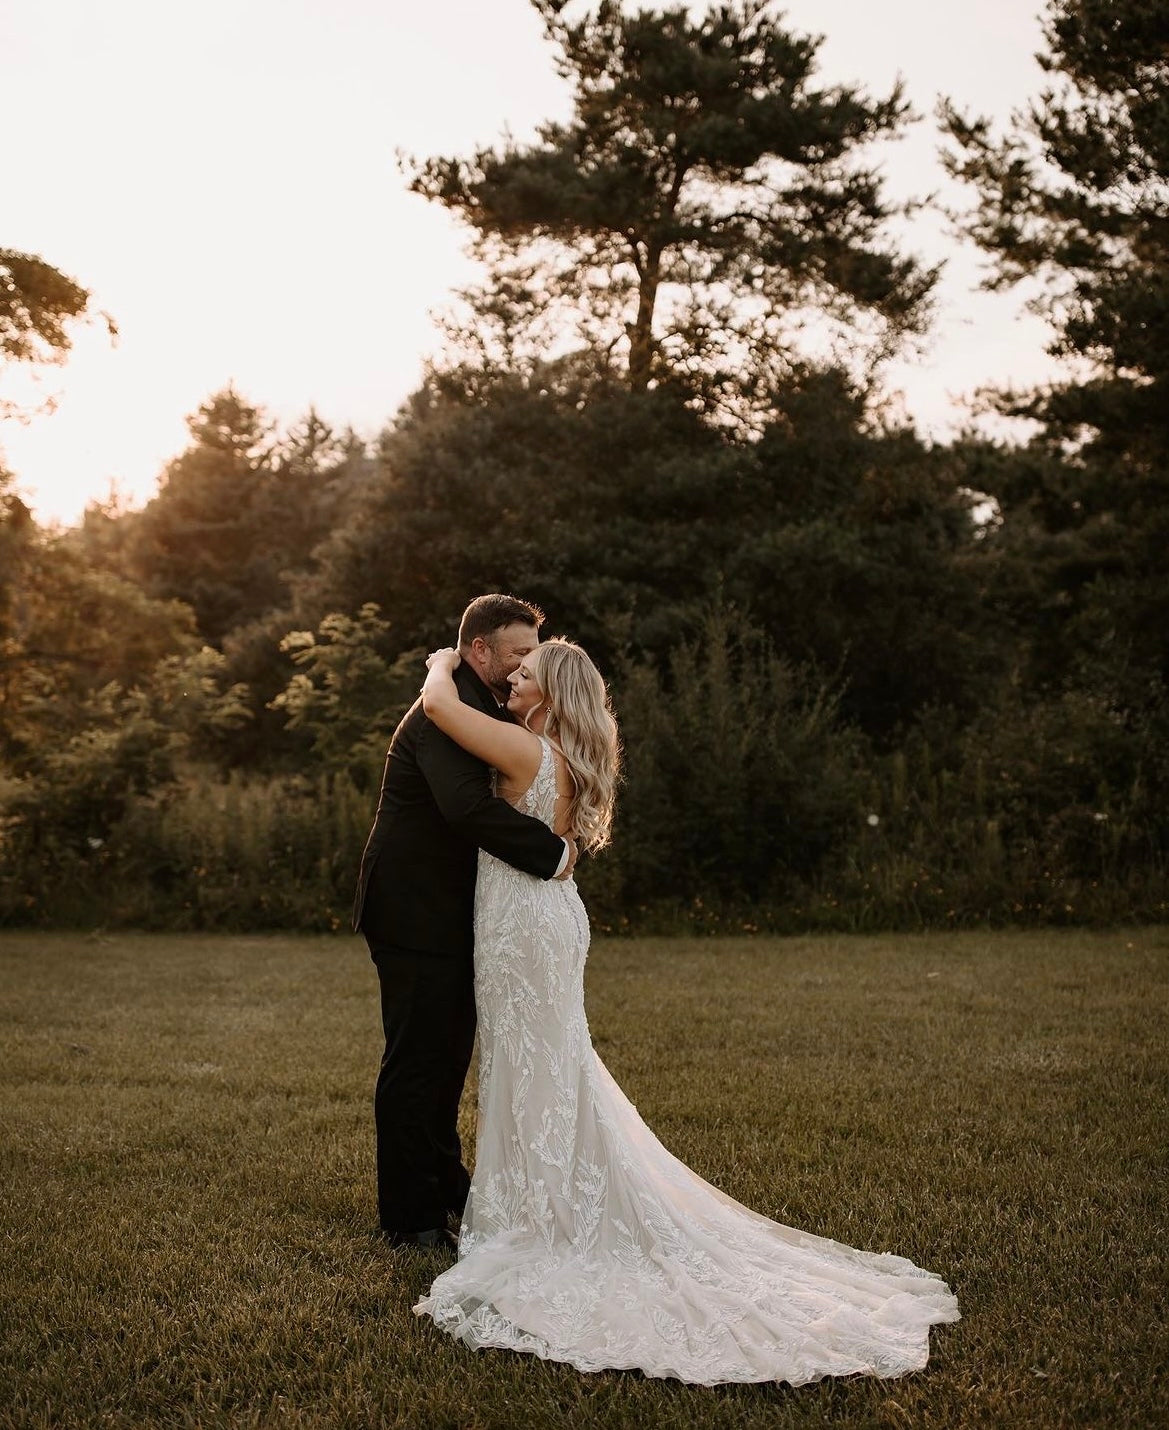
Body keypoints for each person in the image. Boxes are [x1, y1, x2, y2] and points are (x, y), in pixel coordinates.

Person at [412, 636, 960, 1384]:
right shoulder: (559, 755)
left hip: (524, 933)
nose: (513, 675)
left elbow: (438, 705)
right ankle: (539, 1205)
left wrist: (441, 660)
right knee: (550, 1062)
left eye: (527, 671)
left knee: (536, 1063)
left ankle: (536, 1222)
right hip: (545, 919)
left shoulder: (521, 751)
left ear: (550, 692)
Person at [353, 594, 574, 1250]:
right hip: (412, 907)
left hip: (452, 911)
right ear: (479, 650)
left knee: (446, 1054)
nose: (521, 667)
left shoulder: (475, 704)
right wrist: (554, 853)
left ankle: (445, 1184)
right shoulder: (443, 711)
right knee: (418, 1058)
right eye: (515, 654)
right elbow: (466, 809)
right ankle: (409, 1217)